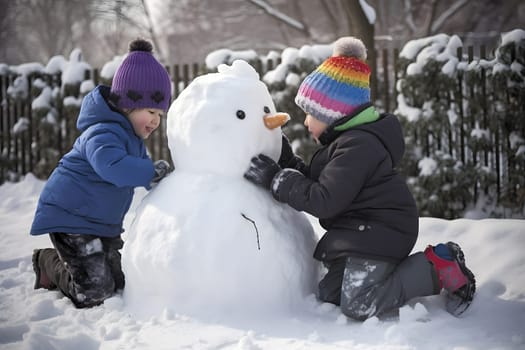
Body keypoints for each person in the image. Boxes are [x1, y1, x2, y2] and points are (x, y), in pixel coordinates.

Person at [244, 36, 476, 320]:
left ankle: (438, 265)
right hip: (362, 232)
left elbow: (325, 200)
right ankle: (385, 274)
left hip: (381, 233)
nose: (305, 122)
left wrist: (278, 180)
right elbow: (321, 184)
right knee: (329, 294)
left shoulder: (358, 147)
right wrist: (287, 160)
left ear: (331, 114)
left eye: (310, 114)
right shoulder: (346, 145)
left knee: (358, 304)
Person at [30, 38, 172, 308]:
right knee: (95, 291)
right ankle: (47, 262)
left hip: (100, 225)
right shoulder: (102, 132)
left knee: (123, 280)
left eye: (160, 114)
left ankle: (78, 265)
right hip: (72, 220)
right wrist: (148, 172)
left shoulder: (132, 141)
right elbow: (114, 168)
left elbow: (142, 173)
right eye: (151, 111)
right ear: (128, 105)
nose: (156, 120)